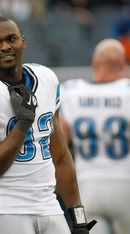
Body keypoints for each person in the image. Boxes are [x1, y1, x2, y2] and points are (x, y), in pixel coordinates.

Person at [0, 16, 96, 234]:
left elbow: (60, 155)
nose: (5, 46)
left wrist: (78, 217)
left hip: (48, 204)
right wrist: (23, 123)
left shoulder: (46, 78)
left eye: (11, 39)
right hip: (3, 208)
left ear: (24, 41)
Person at [60, 38, 130, 234]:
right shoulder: (127, 92)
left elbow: (59, 144)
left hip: (86, 186)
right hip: (125, 183)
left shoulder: (71, 91)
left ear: (95, 63)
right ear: (123, 65)